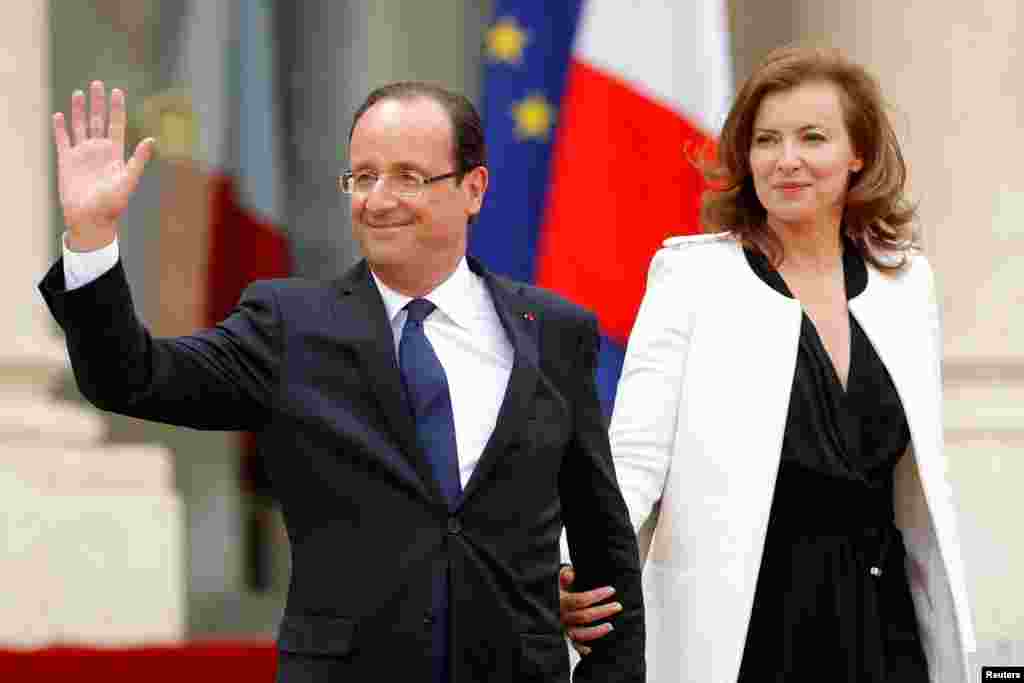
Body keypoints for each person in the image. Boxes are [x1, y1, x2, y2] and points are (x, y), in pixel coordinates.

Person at [40, 80, 644, 683]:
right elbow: (132, 378)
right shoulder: (289, 328)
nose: (378, 200)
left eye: (409, 176)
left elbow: (604, 545)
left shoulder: (555, 334)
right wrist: (92, 240)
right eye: (363, 177)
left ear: (473, 189)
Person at [559, 46, 975, 682]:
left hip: (883, 618)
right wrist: (568, 565)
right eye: (766, 140)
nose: (787, 160)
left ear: (856, 152)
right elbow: (634, 460)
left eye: (813, 137)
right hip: (749, 622)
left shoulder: (906, 282)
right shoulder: (693, 276)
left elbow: (921, 481)